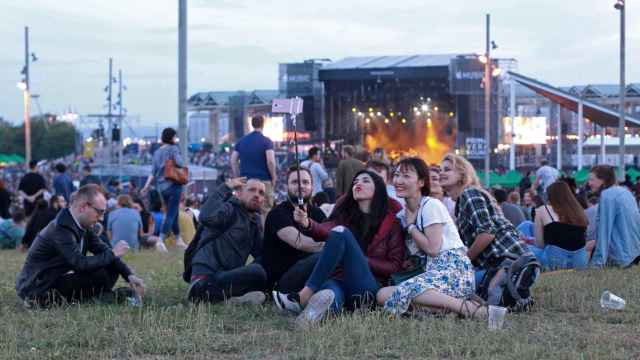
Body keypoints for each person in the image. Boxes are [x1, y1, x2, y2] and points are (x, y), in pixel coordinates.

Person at [273, 170, 405, 328]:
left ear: (378, 188)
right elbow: (327, 230)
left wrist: (359, 260)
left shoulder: (392, 222)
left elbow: (395, 266)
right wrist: (308, 223)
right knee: (329, 294)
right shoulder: (345, 214)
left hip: (366, 287)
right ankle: (310, 317)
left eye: (365, 181)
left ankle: (303, 296)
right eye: (355, 181)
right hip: (339, 280)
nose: (358, 184)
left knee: (342, 233)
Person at [376, 158, 482, 319]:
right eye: (396, 175)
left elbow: (433, 249)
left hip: (452, 269)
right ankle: (445, 311)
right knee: (383, 294)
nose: (398, 180)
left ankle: (469, 309)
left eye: (406, 176)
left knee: (406, 291)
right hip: (429, 274)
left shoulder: (430, 205)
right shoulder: (401, 215)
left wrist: (411, 227)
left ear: (421, 182)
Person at [15, 184, 145, 306]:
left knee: (111, 266)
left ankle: (98, 296)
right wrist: (112, 254)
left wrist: (129, 275)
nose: (101, 218)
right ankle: (108, 297)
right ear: (83, 207)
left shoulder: (83, 225)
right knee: (106, 264)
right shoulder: (60, 229)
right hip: (38, 290)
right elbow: (79, 263)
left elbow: (103, 250)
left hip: (55, 280)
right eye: (99, 212)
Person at [440, 154, 538, 310]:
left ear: (462, 174)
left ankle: (506, 279)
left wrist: (464, 261)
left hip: (507, 257)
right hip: (514, 261)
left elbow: (487, 233)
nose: (441, 173)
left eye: (447, 169)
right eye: (440, 170)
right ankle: (514, 293)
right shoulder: (462, 202)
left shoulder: (468, 194)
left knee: (456, 288)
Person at [187, 178, 267, 304]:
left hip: (225, 276)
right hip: (205, 278)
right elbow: (205, 216)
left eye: (261, 193)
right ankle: (203, 294)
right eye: (252, 190)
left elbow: (262, 254)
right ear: (239, 193)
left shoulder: (254, 221)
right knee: (257, 271)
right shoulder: (229, 208)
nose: (257, 195)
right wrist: (226, 186)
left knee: (263, 266)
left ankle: (228, 299)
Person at [260, 166, 326, 293]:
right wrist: (335, 246)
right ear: (286, 187)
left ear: (312, 187)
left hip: (312, 276)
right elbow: (299, 242)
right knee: (325, 255)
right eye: (295, 182)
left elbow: (329, 234)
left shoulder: (318, 213)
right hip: (283, 280)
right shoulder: (277, 214)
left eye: (306, 182)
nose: (301, 186)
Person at [141, 127, 188, 249]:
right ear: (172, 137)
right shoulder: (173, 149)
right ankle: (160, 240)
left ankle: (178, 239)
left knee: (174, 212)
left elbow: (153, 172)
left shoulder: (156, 152)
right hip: (174, 184)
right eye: (175, 136)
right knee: (171, 214)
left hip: (162, 187)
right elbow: (180, 163)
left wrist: (146, 187)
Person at [588, 165, 640, 268]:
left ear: (603, 180)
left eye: (592, 179)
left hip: (620, 258)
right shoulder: (626, 192)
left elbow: (604, 231)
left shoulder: (607, 196)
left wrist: (596, 266)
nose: (589, 183)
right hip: (634, 254)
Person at [530, 181, 589, 270]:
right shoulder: (578, 211)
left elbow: (539, 244)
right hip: (580, 260)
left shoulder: (542, 210)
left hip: (556, 260)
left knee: (527, 248)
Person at [230, 115, 277, 215]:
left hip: (246, 182)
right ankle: (263, 231)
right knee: (265, 211)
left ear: (252, 124)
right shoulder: (266, 141)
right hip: (264, 181)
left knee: (245, 210)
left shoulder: (242, 141)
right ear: (263, 124)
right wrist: (273, 176)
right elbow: (270, 161)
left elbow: (233, 160)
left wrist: (238, 177)